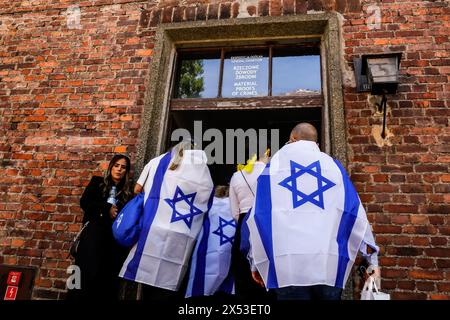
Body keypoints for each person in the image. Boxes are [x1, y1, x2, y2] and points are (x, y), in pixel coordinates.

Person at [247, 123, 380, 300]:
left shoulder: (273, 168)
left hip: (287, 267)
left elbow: (259, 215)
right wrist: (372, 260)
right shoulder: (333, 167)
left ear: (293, 138)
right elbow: (354, 212)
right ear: (316, 142)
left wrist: (255, 261)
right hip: (328, 266)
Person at [119, 141, 215, 301]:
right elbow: (207, 199)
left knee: (147, 276)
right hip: (182, 232)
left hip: (153, 227)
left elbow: (137, 189)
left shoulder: (157, 161)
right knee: (169, 280)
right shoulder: (202, 171)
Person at [67, 154, 133, 300]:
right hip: (92, 238)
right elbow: (85, 203)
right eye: (116, 165)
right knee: (83, 278)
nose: (119, 170)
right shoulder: (97, 182)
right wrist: (106, 208)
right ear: (110, 167)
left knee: (105, 283)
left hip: (113, 243)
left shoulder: (128, 192)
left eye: (123, 167)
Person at [229, 149, 272, 301]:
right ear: (266, 154)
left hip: (243, 223)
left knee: (242, 274)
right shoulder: (271, 172)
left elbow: (234, 212)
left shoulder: (236, 176)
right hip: (267, 221)